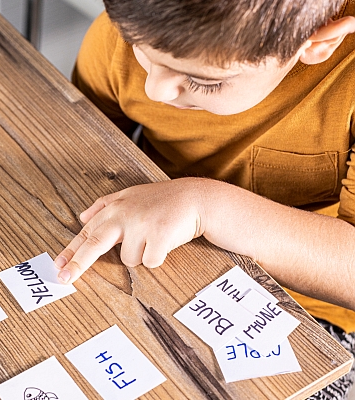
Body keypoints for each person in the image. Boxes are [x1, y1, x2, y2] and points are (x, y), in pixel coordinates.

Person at [56, 0, 355, 398]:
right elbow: (78, 151)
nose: (154, 89)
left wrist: (206, 207)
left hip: (307, 312)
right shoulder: (137, 26)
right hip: (145, 257)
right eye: (139, 50)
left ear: (317, 43)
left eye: (206, 81)